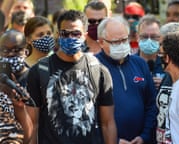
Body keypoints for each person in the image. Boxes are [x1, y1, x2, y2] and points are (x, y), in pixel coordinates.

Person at [26, 10, 117, 144]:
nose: (70, 38)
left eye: (76, 33)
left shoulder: (99, 71)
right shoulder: (39, 72)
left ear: (85, 36)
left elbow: (107, 123)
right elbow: (32, 125)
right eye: (65, 33)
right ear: (58, 35)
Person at [96, 17, 157, 144]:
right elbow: (89, 115)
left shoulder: (140, 64)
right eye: (115, 42)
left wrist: (144, 136)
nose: (121, 45)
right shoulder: (93, 67)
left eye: (124, 40)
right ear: (101, 42)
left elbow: (151, 104)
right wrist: (114, 140)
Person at [0, 29, 33, 144]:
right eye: (5, 50)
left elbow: (31, 134)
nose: (10, 54)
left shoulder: (35, 79)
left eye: (17, 50)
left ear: (26, 51)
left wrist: (19, 108)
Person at [137, 14, 164, 90]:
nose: (149, 40)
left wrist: (166, 83)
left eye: (154, 37)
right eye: (145, 37)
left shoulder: (168, 64)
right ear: (137, 37)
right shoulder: (129, 63)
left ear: (160, 38)